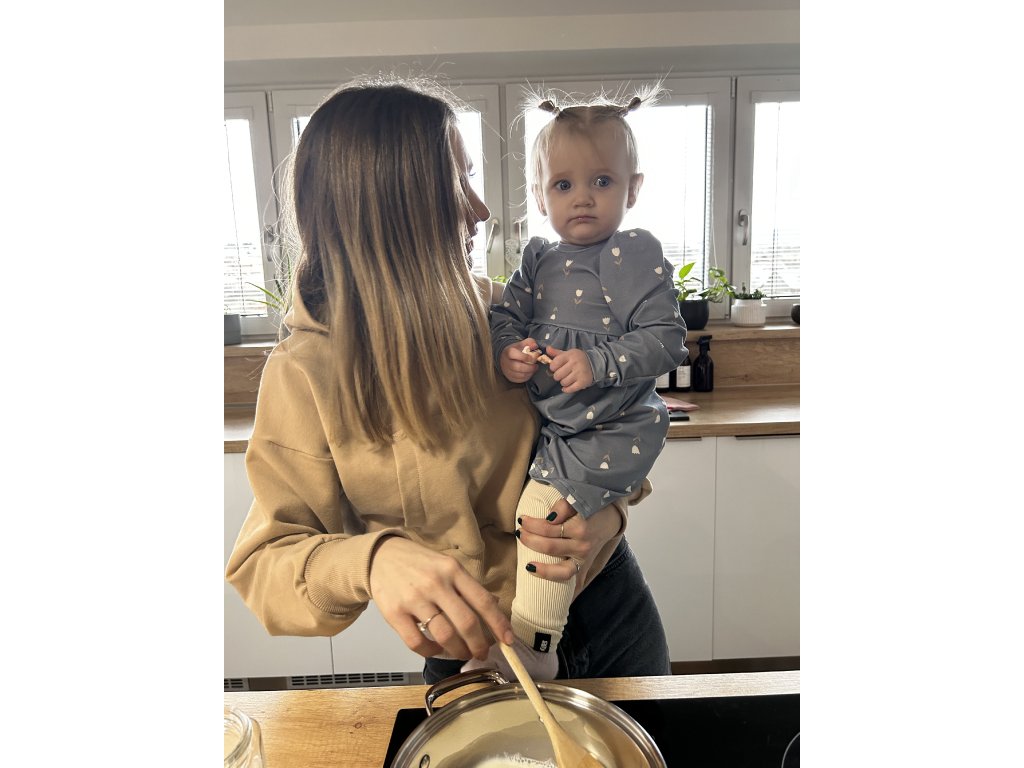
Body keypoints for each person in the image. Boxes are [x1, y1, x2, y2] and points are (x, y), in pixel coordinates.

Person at [225, 75, 673, 685]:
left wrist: (609, 515)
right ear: (389, 209)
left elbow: (617, 420)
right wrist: (373, 561)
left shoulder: (510, 317)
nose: (481, 209)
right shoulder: (304, 373)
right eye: (457, 182)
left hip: (613, 608)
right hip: (473, 648)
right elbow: (262, 564)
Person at [470, 91, 688, 681]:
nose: (583, 197)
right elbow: (505, 319)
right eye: (563, 185)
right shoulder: (537, 260)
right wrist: (508, 351)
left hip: (610, 427)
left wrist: (599, 362)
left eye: (602, 181)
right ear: (540, 196)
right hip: (561, 431)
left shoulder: (634, 254)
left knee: (543, 513)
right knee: (543, 516)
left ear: (632, 189)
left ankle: (535, 645)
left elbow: (668, 339)